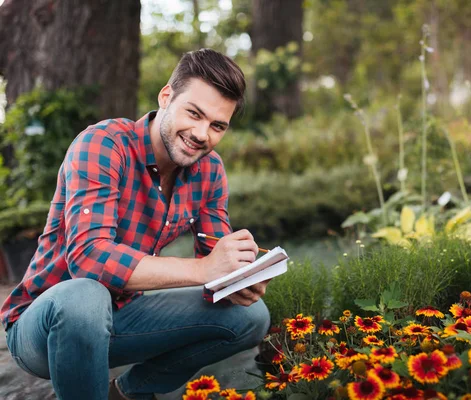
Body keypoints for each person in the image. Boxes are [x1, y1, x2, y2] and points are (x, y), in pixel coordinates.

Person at [1, 48, 270, 400]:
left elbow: (215, 268)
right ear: (166, 96)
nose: (203, 134)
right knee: (85, 295)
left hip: (125, 318)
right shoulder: (103, 144)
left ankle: (128, 393)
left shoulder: (209, 171)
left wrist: (237, 279)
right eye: (194, 114)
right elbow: (89, 259)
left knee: (250, 317)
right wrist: (204, 268)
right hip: (45, 327)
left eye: (217, 125)